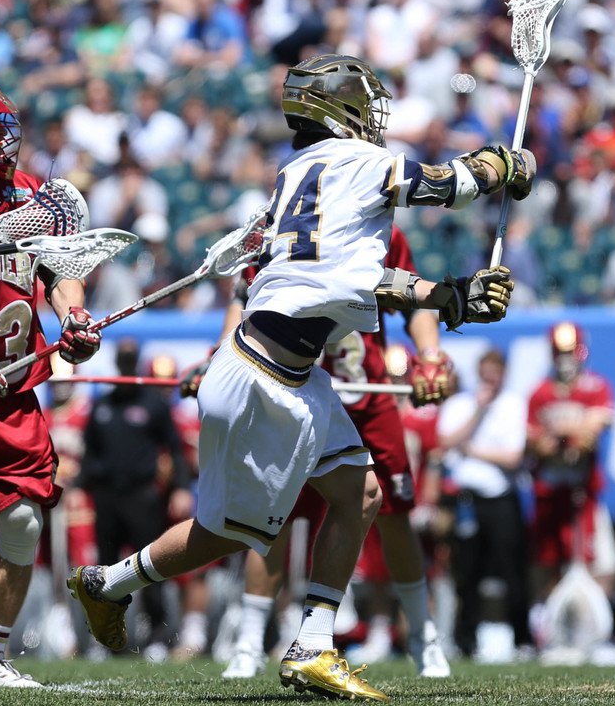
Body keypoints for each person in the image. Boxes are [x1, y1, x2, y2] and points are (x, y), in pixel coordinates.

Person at [66, 54, 533, 701]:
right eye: (364, 103)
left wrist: (448, 298)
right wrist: (497, 168)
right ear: (340, 111)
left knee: (360, 495)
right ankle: (108, 586)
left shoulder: (297, 172)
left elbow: (355, 280)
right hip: (268, 377)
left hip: (287, 370)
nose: (375, 117)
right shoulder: (360, 162)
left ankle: (311, 645)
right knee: (230, 534)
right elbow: (441, 188)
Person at [183, 226, 453, 679]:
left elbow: (413, 298)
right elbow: (244, 302)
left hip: (364, 394)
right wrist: (217, 358)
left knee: (393, 511)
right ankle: (250, 642)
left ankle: (423, 637)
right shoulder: (286, 226)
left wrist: (430, 356)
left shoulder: (385, 232)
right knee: (276, 516)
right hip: (298, 390)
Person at [0, 75, 102, 687]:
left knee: (23, 522)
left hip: (11, 392)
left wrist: (73, 316)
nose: (6, 141)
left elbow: (61, 267)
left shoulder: (31, 197)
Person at [76, 338, 194, 660]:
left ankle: (156, 636)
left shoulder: (154, 404)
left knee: (149, 567)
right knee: (104, 568)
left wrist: (181, 486)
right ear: (118, 364)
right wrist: (78, 485)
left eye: (132, 360)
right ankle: (106, 640)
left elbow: (176, 449)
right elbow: (89, 454)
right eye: (123, 360)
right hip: (107, 497)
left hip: (143, 496)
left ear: (137, 362)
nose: (127, 365)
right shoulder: (102, 405)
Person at [437, 347, 533, 661]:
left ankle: (522, 638)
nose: (490, 379)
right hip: (468, 499)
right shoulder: (461, 404)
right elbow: (446, 442)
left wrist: (472, 449)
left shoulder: (513, 404)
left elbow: (512, 456)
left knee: (513, 571)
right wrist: (477, 412)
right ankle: (466, 640)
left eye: (496, 372)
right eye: (486, 372)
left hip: (502, 498)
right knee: (467, 572)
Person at [526, 323, 615, 607]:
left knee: (597, 563)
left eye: (570, 352)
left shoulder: (596, 386)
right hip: (552, 490)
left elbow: (595, 430)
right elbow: (534, 442)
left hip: (583, 490)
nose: (565, 360)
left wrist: (560, 433)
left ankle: (591, 627)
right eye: (560, 352)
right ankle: (551, 628)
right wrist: (572, 433)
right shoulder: (540, 392)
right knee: (551, 563)